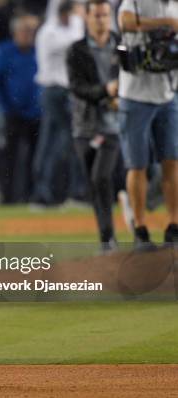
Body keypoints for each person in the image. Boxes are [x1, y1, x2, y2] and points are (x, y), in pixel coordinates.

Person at [117, 0, 178, 248]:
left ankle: (173, 226)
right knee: (138, 164)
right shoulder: (137, 2)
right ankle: (140, 229)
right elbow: (126, 22)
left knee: (172, 161)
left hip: (168, 92)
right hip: (135, 95)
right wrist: (164, 24)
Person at [67, 0, 121, 251]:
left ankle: (109, 237)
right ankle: (106, 236)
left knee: (101, 176)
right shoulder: (76, 50)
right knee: (94, 181)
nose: (102, 20)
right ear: (87, 18)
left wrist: (122, 98)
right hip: (85, 126)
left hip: (114, 124)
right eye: (97, 15)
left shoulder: (121, 46)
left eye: (105, 15)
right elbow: (77, 87)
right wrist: (105, 92)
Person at [32, 0, 86, 206]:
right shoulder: (48, 32)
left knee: (70, 142)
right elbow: (77, 45)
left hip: (70, 91)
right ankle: (45, 192)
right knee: (54, 143)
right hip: (53, 91)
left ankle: (70, 191)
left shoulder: (74, 25)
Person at [0, 13, 41, 203]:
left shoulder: (38, 51)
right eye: (24, 31)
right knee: (9, 157)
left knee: (34, 158)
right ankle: (8, 196)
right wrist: (5, 106)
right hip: (12, 113)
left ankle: (30, 195)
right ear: (15, 32)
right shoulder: (5, 51)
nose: (27, 35)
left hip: (36, 114)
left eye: (30, 31)